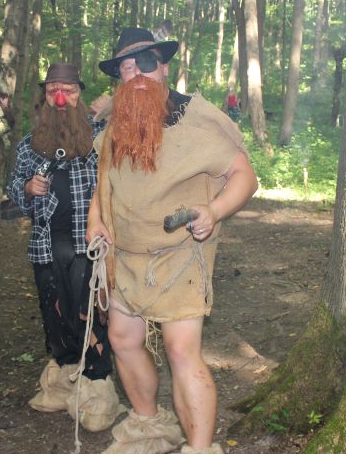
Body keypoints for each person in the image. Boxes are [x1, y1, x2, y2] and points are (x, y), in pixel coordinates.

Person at [87, 28, 258, 454]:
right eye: (127, 67)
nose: (136, 73)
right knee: (123, 340)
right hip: (126, 254)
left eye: (146, 63)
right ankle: (149, 426)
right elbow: (104, 178)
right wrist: (95, 219)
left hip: (181, 254)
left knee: (181, 351)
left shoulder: (197, 122)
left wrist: (214, 211)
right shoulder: (117, 124)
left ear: (164, 67)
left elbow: (245, 176)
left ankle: (199, 448)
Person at [6, 63, 122, 432]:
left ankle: (98, 389)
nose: (60, 98)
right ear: (44, 95)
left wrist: (114, 106)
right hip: (45, 246)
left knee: (91, 315)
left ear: (79, 94)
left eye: (68, 90)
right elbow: (13, 191)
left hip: (91, 245)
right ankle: (62, 382)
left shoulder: (102, 134)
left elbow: (135, 139)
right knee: (54, 314)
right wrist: (27, 189)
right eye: (52, 89)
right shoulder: (29, 144)